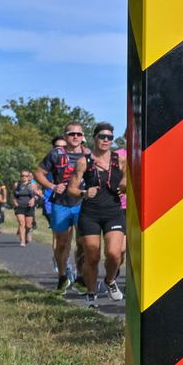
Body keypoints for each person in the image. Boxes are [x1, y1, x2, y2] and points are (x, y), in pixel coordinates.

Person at [68, 122, 127, 304]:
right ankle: (91, 293)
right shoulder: (83, 161)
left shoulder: (119, 159)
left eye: (109, 137)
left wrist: (124, 184)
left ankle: (109, 281)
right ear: (94, 138)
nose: (106, 140)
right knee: (92, 256)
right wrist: (84, 193)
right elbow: (72, 189)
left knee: (114, 253)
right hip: (90, 214)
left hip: (114, 212)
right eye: (102, 137)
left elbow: (127, 176)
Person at [36, 124, 89, 289]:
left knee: (83, 242)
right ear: (65, 137)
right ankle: (62, 276)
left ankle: (80, 276)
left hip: (82, 203)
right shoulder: (56, 154)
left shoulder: (89, 155)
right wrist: (52, 186)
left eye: (78, 134)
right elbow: (38, 173)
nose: (75, 137)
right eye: (71, 134)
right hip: (61, 204)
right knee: (62, 243)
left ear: (83, 136)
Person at [12, 169, 38, 246]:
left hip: (29, 206)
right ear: (20, 176)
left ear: (28, 177)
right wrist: (14, 201)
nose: (24, 177)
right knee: (21, 224)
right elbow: (13, 195)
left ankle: (27, 234)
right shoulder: (16, 185)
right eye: (22, 176)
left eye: (26, 176)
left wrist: (33, 199)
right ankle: (22, 241)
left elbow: (37, 195)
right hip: (19, 205)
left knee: (28, 225)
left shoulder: (32, 185)